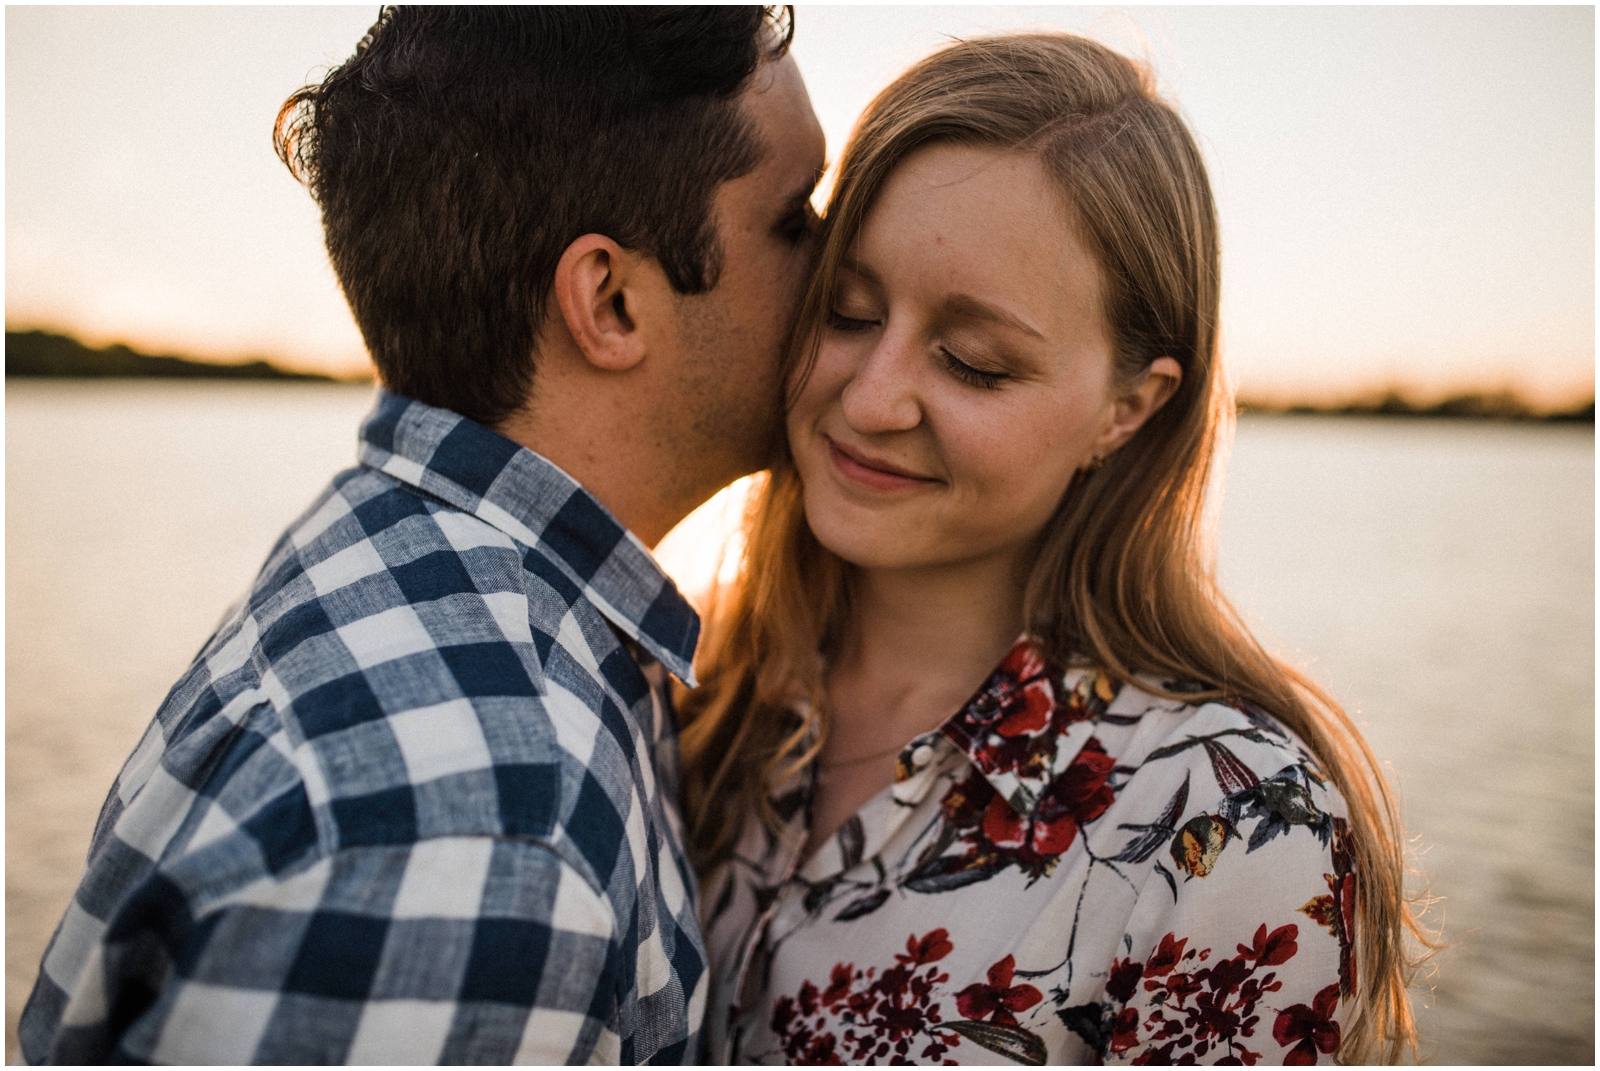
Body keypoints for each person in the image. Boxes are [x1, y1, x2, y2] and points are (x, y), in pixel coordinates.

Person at [19, 6, 824, 1064]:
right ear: (612, 300)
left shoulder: (394, 552)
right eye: (796, 216)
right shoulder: (480, 830)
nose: (842, 266)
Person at [680, 33, 1426, 1065]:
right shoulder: (698, 689)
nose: (869, 396)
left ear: (1127, 409)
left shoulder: (1226, 827)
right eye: (847, 311)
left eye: (973, 363)